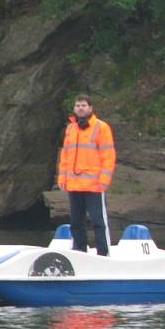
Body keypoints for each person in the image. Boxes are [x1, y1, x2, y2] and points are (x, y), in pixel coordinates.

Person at [57, 94, 116, 256]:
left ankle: (103, 254)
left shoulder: (101, 127)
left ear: (90, 108)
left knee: (98, 222)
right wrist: (62, 178)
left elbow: (108, 156)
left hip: (94, 185)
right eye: (77, 106)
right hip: (74, 184)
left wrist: (104, 180)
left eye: (83, 105)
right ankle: (79, 251)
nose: (80, 108)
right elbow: (65, 156)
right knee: (76, 223)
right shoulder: (71, 128)